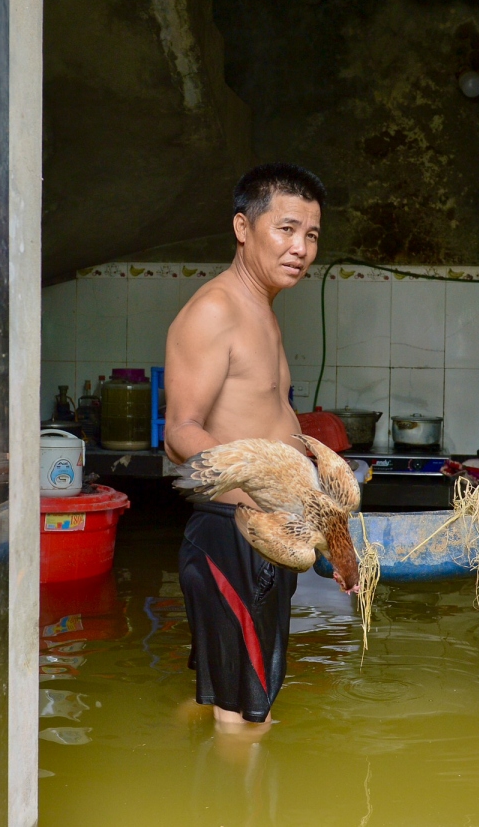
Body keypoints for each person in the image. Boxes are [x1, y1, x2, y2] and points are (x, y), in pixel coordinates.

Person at [164, 162, 325, 733]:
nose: (300, 248)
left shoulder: (263, 311)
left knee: (227, 699)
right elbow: (181, 431)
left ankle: (182, 759)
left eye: (310, 235)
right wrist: (260, 493)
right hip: (232, 533)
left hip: (265, 532)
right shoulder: (216, 310)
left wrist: (313, 488)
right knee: (249, 724)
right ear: (242, 227)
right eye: (285, 229)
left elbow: (265, 416)